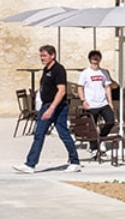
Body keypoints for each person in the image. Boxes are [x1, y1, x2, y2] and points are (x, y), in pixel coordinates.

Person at [14, 44, 82, 173]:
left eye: (44, 55)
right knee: (39, 134)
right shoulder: (46, 70)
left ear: (53, 55)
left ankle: (75, 161)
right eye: (41, 56)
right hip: (46, 105)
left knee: (64, 134)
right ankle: (30, 164)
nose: (42, 58)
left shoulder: (59, 70)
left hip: (57, 107)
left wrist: (51, 109)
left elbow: (61, 91)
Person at [78, 50, 118, 161]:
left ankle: (101, 138)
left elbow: (108, 87)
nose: (95, 59)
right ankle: (94, 149)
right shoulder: (85, 73)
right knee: (92, 127)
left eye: (97, 57)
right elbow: (80, 87)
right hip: (91, 104)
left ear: (100, 58)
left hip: (103, 103)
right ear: (90, 59)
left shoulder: (104, 72)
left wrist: (110, 102)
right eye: (93, 57)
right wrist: (83, 101)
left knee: (111, 121)